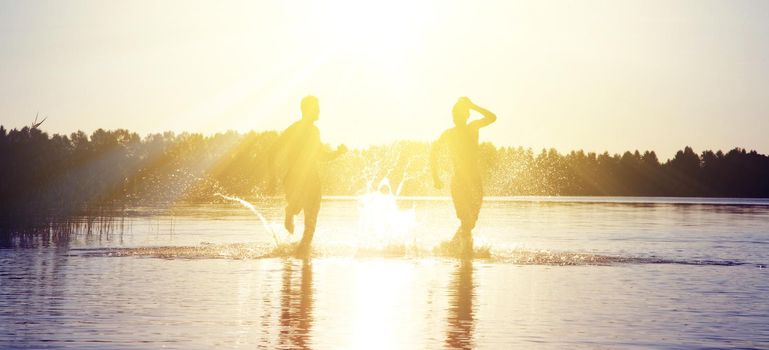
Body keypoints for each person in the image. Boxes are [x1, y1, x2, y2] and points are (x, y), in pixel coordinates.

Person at [270, 95, 347, 257]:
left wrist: (337, 153)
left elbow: (319, 155)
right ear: (308, 109)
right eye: (316, 107)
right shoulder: (307, 131)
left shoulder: (302, 130)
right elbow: (320, 156)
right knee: (310, 221)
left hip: (294, 179)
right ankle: (303, 258)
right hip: (307, 180)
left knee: (304, 214)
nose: (319, 111)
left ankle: (291, 213)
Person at [431, 97, 496, 256]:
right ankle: (466, 256)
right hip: (459, 182)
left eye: (459, 115)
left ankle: (453, 247)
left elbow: (492, 117)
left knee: (471, 222)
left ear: (466, 116)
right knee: (466, 221)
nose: (456, 119)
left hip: (475, 181)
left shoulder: (473, 127)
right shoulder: (449, 134)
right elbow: (434, 152)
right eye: (454, 116)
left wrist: (473, 105)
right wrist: (435, 177)